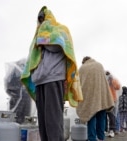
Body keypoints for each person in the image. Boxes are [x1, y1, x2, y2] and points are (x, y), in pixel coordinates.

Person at [20, 6, 83, 141]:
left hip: (54, 78)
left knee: (53, 120)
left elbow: (58, 46)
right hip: (39, 81)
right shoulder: (38, 36)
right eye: (40, 20)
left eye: (44, 19)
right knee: (42, 121)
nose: (42, 23)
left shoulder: (60, 30)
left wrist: (43, 37)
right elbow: (33, 57)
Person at [76, 56, 114, 141]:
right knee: (101, 117)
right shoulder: (99, 65)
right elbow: (104, 82)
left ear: (84, 61)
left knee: (90, 117)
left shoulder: (82, 68)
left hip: (89, 97)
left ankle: (92, 138)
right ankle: (101, 138)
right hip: (101, 96)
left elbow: (79, 84)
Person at [105, 71, 121, 137]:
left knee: (111, 115)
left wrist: (112, 80)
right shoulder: (103, 80)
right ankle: (105, 130)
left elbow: (118, 87)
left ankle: (112, 130)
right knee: (104, 115)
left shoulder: (113, 80)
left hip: (112, 100)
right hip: (105, 100)